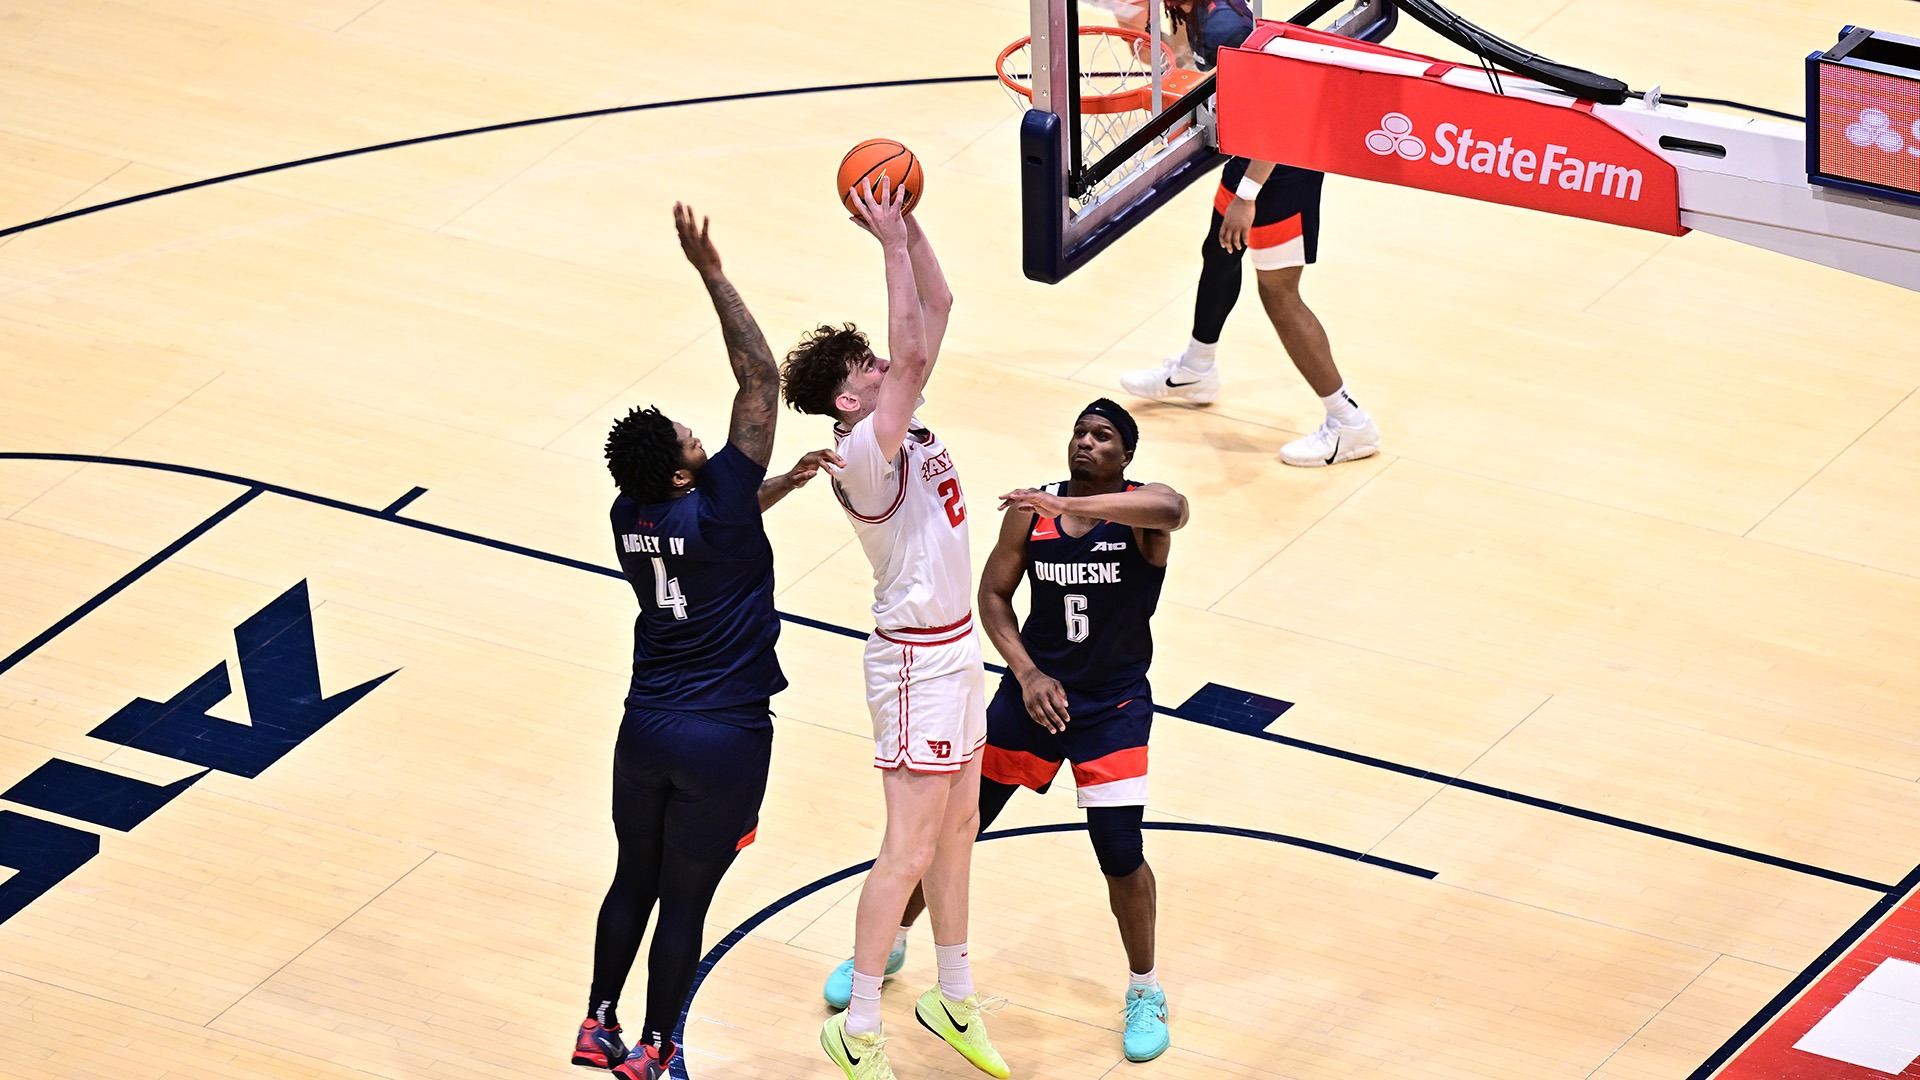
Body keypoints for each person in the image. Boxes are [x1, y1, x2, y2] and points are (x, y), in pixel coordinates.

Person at [822, 399, 1190, 1065]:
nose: (1085, 442)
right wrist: (1025, 674)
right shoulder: (1033, 509)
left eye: (1103, 436)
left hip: (1113, 707)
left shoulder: (1141, 514)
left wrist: (1091, 508)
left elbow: (1174, 509)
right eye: (1079, 431)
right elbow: (992, 597)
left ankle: (1144, 988)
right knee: (946, 830)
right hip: (1032, 699)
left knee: (1120, 849)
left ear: (1125, 457)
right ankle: (889, 946)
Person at [571, 203, 840, 1080]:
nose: (702, 434)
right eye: (693, 439)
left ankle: (598, 1022)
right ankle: (657, 1048)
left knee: (631, 881)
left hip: (644, 726)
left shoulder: (630, 513)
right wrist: (711, 271)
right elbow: (759, 376)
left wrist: (780, 490)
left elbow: (705, 532)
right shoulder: (715, 494)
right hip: (722, 733)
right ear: (689, 470)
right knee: (687, 898)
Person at [780, 178, 1008, 1080]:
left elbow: (938, 307)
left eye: (876, 362)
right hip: (914, 661)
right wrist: (884, 244)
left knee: (958, 832)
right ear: (844, 404)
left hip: (956, 649)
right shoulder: (864, 452)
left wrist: (908, 225)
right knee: (908, 844)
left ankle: (953, 999)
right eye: (862, 370)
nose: (881, 366)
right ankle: (860, 1024)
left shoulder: (895, 419)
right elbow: (913, 353)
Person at [1116, 0, 1381, 467]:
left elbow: (1283, 112)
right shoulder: (1191, 12)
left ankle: (1349, 422)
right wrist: (1140, 27)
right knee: (1218, 250)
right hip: (1255, 149)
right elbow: (1180, 59)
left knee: (1280, 295)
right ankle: (1196, 369)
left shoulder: (1224, 26)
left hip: (1283, 161)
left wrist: (1248, 194)